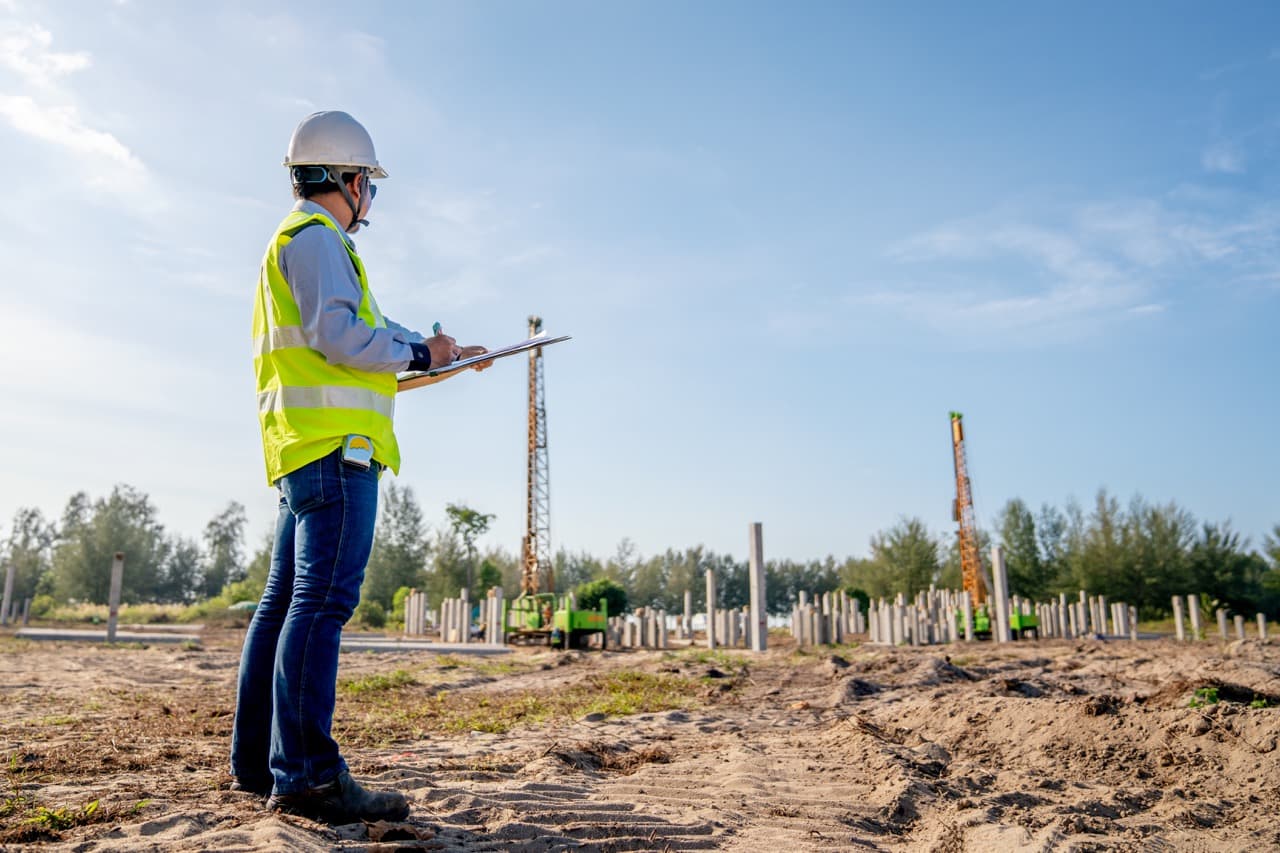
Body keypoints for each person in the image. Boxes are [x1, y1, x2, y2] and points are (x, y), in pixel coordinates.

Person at [230, 110, 487, 824]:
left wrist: (435, 353)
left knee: (283, 604)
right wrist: (418, 354)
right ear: (347, 180)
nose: (369, 197)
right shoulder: (317, 239)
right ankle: (307, 776)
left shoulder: (296, 241)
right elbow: (342, 335)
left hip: (303, 449)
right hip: (337, 456)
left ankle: (259, 764)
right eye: (367, 183)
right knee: (319, 605)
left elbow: (360, 333)